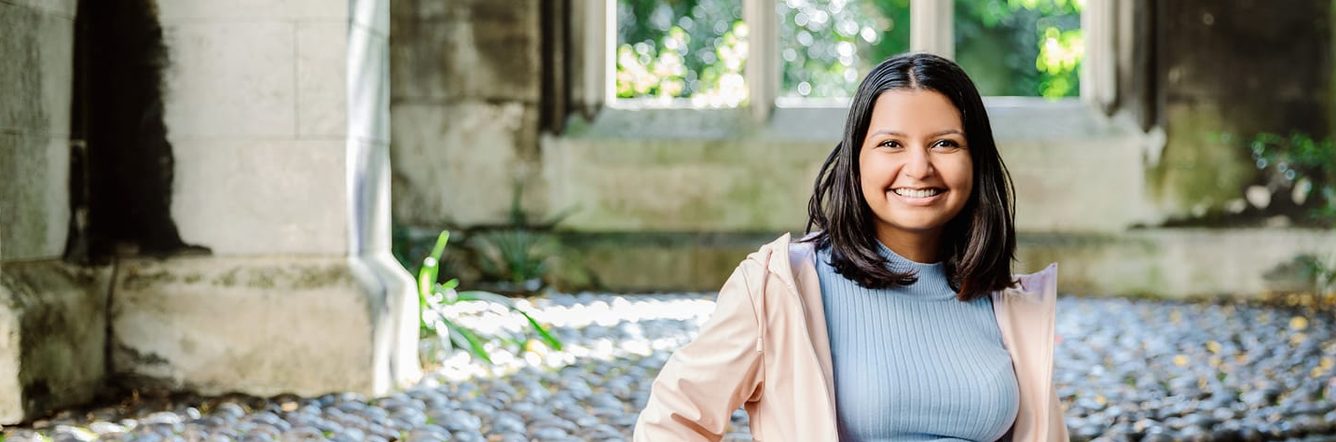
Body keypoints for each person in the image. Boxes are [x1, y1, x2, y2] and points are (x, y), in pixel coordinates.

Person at [632, 53, 1069, 441]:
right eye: (891, 144)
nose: (918, 167)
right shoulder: (780, 286)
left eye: (944, 143)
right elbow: (673, 423)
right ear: (856, 159)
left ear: (977, 162)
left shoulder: (1010, 303)